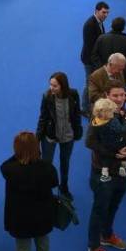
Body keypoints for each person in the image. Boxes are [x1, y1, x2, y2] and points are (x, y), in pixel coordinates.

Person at [86, 81, 126, 251]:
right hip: (102, 172)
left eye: (122, 95)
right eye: (115, 95)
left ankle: (107, 235)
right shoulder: (99, 115)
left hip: (122, 171)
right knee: (100, 208)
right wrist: (113, 153)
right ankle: (94, 246)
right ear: (107, 96)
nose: (119, 99)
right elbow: (90, 142)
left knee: (114, 205)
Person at [1, 132, 59, 251]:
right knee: (43, 243)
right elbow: (55, 182)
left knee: (23, 249)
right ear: (36, 148)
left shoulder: (11, 169)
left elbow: (4, 166)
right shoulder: (47, 168)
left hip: (20, 217)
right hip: (43, 215)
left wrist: (19, 155)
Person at [36, 72, 82, 200]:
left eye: (55, 86)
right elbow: (43, 118)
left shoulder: (73, 94)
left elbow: (76, 114)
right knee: (46, 165)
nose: (51, 88)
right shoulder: (47, 96)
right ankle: (45, 189)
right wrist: (37, 138)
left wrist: (78, 130)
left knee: (65, 163)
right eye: (50, 85)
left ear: (63, 85)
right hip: (50, 135)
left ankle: (64, 187)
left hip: (68, 135)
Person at [80, 1, 109, 114]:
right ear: (96, 11)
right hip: (89, 60)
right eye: (103, 12)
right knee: (89, 83)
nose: (106, 15)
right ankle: (85, 108)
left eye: (107, 13)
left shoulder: (99, 21)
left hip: (93, 59)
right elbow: (90, 47)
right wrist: (97, 64)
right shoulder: (90, 25)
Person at [90, 98, 126, 182]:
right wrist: (125, 120)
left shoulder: (96, 121)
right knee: (122, 151)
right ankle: (122, 165)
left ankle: (104, 174)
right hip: (117, 142)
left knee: (105, 159)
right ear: (108, 113)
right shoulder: (113, 122)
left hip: (104, 144)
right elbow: (121, 130)